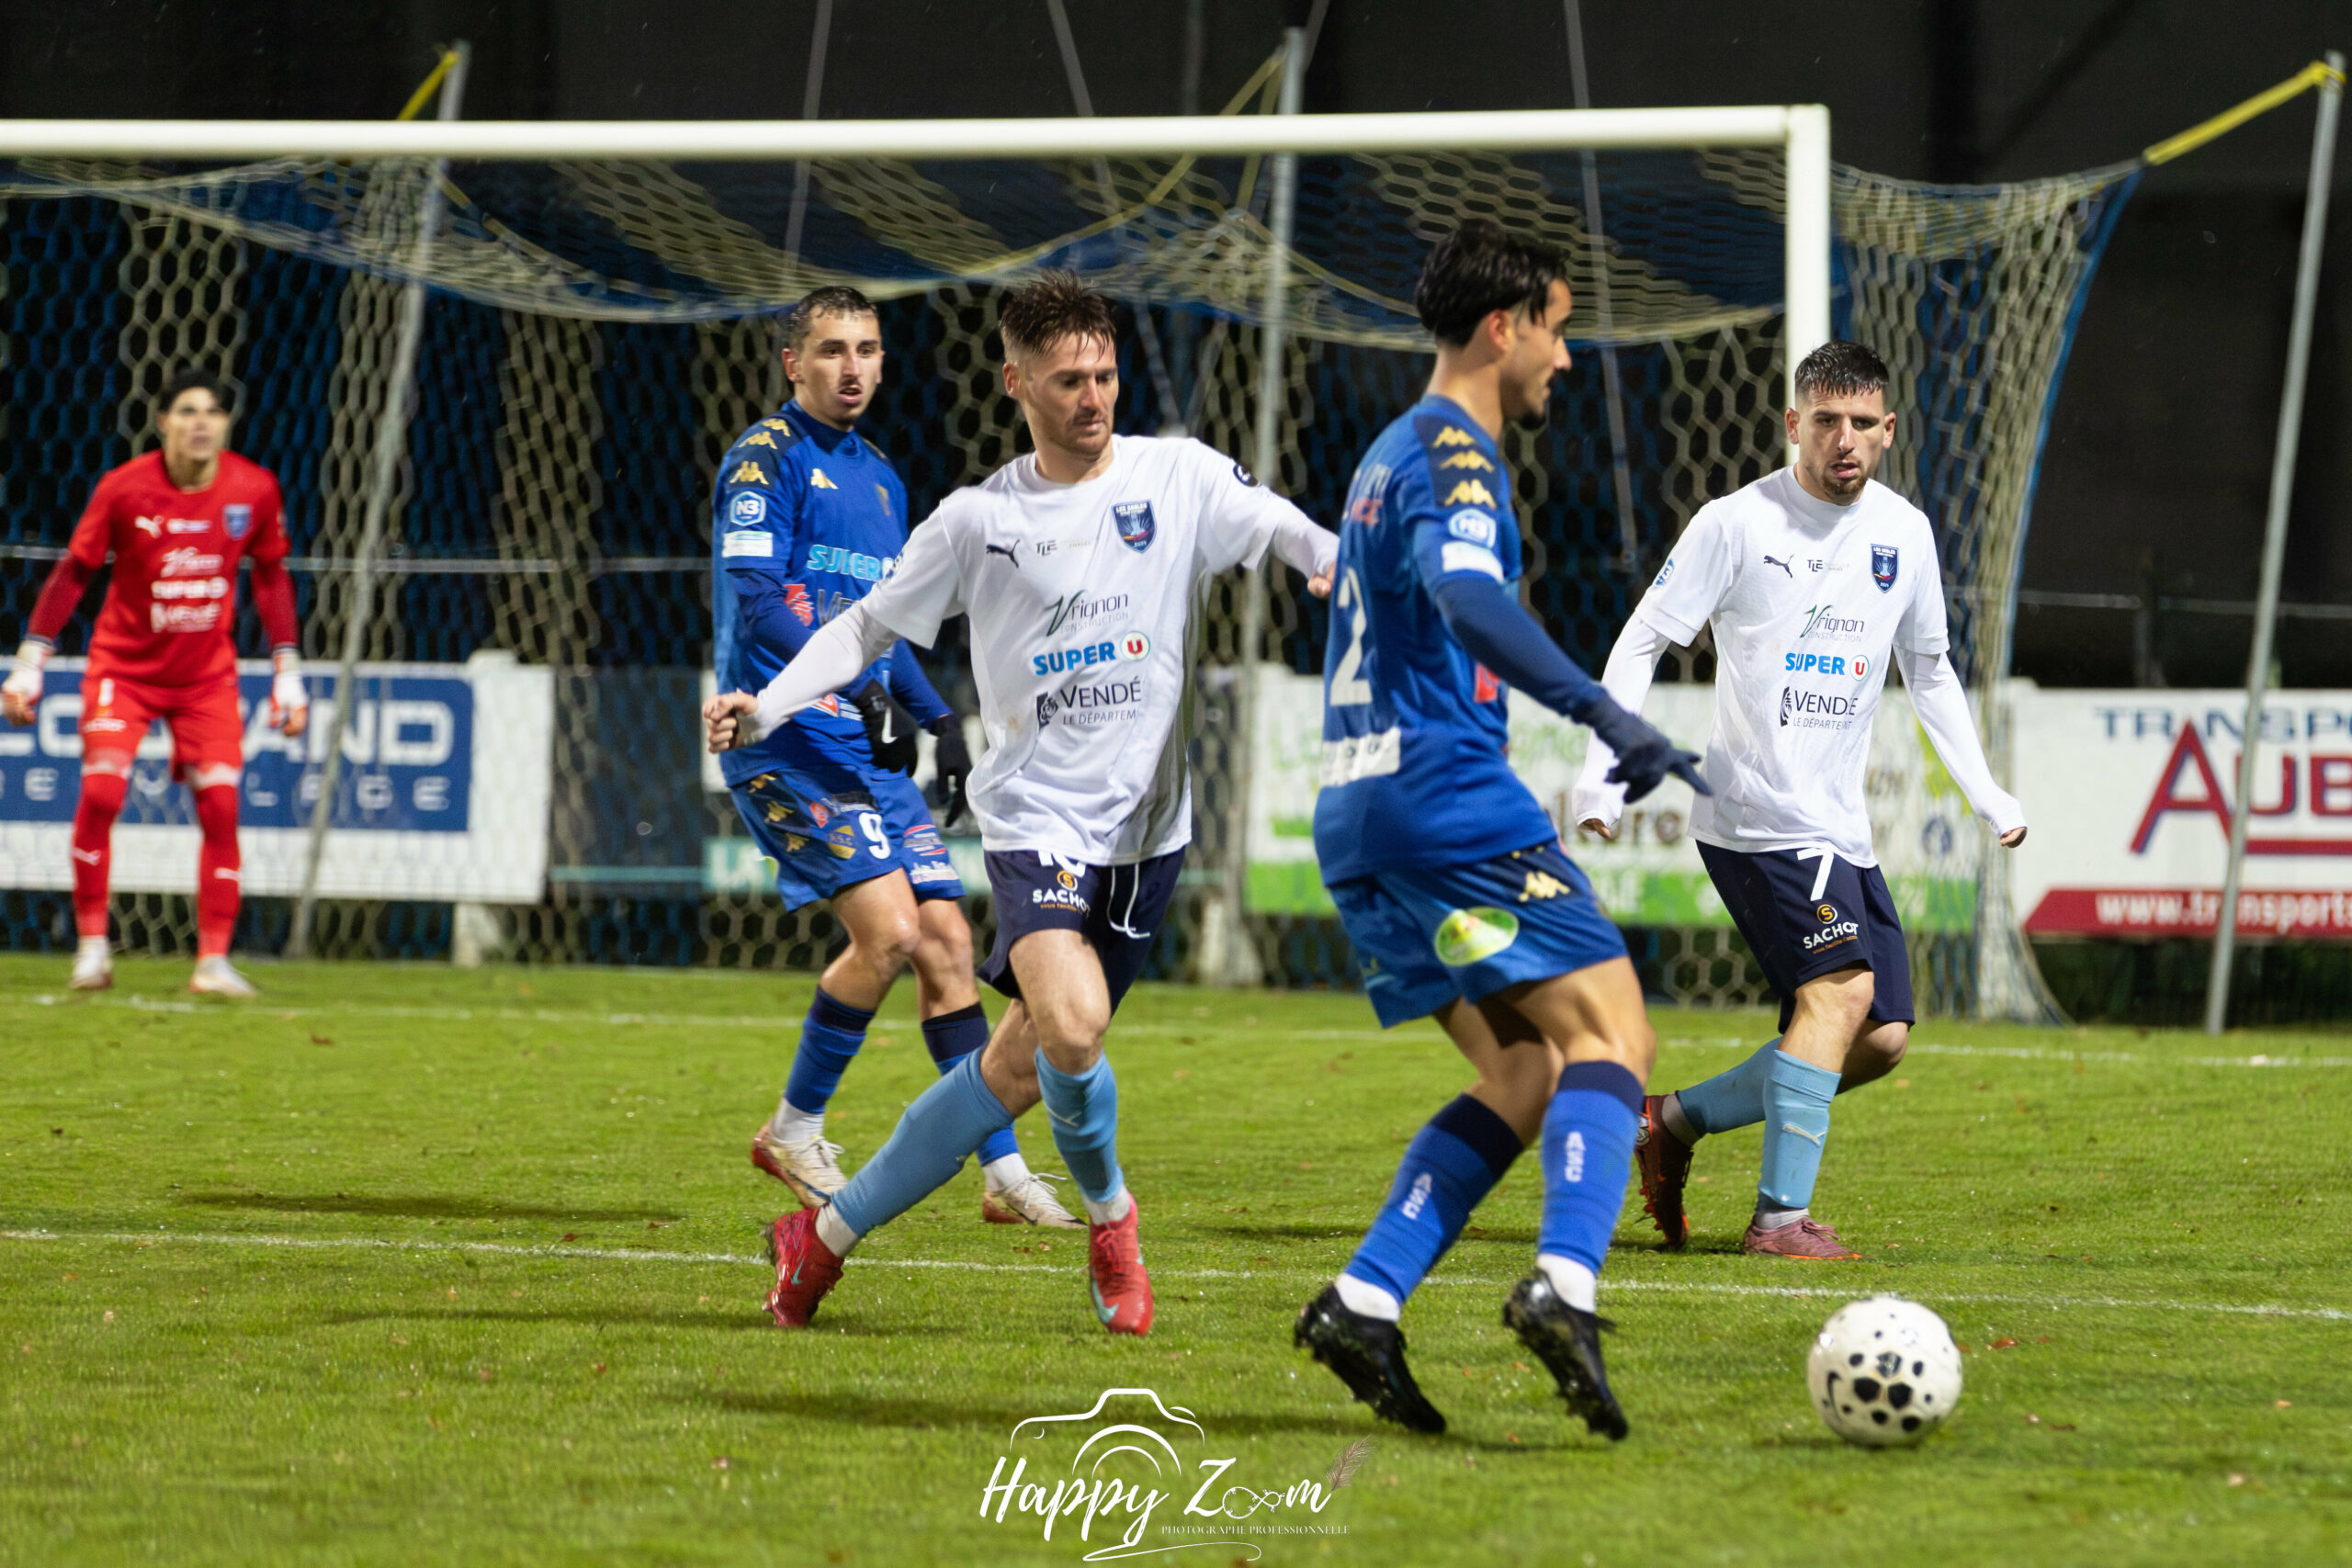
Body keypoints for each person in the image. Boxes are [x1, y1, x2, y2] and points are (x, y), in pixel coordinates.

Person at [705, 271, 1338, 1337]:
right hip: (1037, 821)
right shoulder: (976, 520)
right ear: (1016, 383)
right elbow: (863, 630)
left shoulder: (1174, 475)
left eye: (1103, 375)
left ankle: (820, 1241)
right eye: (1067, 380)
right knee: (1072, 1027)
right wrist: (765, 708)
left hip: (1149, 835)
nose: (1092, 398)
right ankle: (1114, 1226)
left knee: (1011, 1072)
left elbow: (1284, 528)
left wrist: (1332, 564)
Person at [1291, 220, 1707, 1442]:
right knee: (1614, 1032)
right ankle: (1564, 1282)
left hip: (1360, 814)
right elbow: (1470, 597)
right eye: (1560, 329)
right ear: (1502, 327)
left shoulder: (1380, 453)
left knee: (1524, 1065)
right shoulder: (1457, 453)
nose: (1565, 359)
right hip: (1444, 798)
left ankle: (1365, 1297)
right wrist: (1602, 708)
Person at [1570, 339, 2028, 1261]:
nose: (1843, 439)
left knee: (1882, 1036)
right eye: (1825, 421)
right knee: (1839, 989)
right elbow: (1640, 643)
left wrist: (1983, 792)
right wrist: (1598, 772)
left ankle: (1670, 1122)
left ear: (1889, 430)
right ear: (1793, 424)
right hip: (1753, 817)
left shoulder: (1903, 534)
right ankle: (1778, 1223)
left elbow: (1930, 673)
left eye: (1862, 422)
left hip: (1837, 827)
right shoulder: (1735, 524)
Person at [713, 286, 1074, 1230]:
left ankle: (1000, 1174)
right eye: (831, 350)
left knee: (952, 944)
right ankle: (793, 1128)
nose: (852, 367)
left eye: (867, 349)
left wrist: (939, 718)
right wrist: (866, 696)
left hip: (866, 748)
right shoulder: (765, 460)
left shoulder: (879, 479)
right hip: (782, 739)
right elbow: (758, 599)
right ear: (794, 362)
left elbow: (884, 629)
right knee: (891, 937)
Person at [2, 370, 306, 998]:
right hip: (124, 670)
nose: (202, 422)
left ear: (226, 424)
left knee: (221, 805)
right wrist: (31, 660)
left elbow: (272, 577)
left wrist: (289, 671)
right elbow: (74, 571)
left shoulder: (254, 487)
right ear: (162, 421)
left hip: (206, 678)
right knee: (106, 794)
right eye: (188, 410)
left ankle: (213, 962)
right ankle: (92, 949)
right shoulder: (124, 488)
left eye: (215, 411)